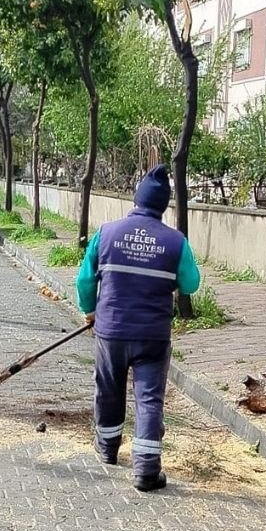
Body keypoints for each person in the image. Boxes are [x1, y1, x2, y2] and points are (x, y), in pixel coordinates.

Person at [75, 164, 201, 493]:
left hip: (111, 331)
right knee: (149, 400)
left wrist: (89, 311)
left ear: (136, 198)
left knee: (109, 389)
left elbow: (85, 279)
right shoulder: (175, 241)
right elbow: (191, 284)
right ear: (163, 205)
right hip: (153, 336)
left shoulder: (106, 232)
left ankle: (107, 449)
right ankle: (146, 471)